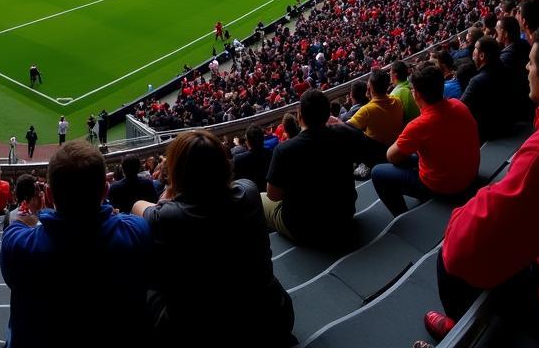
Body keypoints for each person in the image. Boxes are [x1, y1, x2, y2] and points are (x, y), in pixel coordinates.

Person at [418, 22, 539, 347]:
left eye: (531, 63)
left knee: (447, 258)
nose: (526, 68)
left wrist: (459, 218)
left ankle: (457, 330)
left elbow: (464, 248)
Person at [132, 130, 294, 348]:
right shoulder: (248, 190)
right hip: (274, 318)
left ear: (178, 174)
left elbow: (137, 206)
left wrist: (170, 191)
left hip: (206, 335)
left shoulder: (168, 216)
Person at [0, 140, 152, 347]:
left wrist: (37, 217)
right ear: (106, 191)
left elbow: (18, 226)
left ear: (49, 195)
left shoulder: (17, 242)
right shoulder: (137, 232)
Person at [262, 89, 369, 247]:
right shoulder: (344, 134)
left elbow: (273, 195)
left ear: (300, 116)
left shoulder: (284, 150)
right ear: (328, 115)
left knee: (259, 196)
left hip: (304, 230)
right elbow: (365, 148)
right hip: (344, 214)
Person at [371, 65, 479, 217]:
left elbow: (391, 156)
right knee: (410, 156)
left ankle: (403, 216)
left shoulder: (418, 126)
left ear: (416, 94)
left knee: (378, 172)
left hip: (443, 187)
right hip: (470, 176)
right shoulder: (459, 104)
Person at [347, 68, 404, 169]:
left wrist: (336, 121)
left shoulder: (367, 110)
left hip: (378, 157)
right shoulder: (397, 101)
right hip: (395, 147)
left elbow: (346, 128)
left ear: (370, 88)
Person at [461, 36, 515, 141]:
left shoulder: (477, 82)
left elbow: (460, 108)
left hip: (488, 136)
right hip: (509, 127)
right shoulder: (508, 70)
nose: (473, 52)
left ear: (482, 56)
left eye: (475, 49)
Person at [497, 14, 534, 121]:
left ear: (505, 33)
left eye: (498, 30)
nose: (496, 33)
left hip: (519, 110)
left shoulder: (505, 58)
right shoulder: (524, 44)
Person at [231, 124, 273, 193]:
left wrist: (238, 147)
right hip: (268, 193)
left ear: (247, 141)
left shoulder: (238, 159)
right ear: (263, 138)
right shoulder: (271, 154)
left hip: (249, 198)